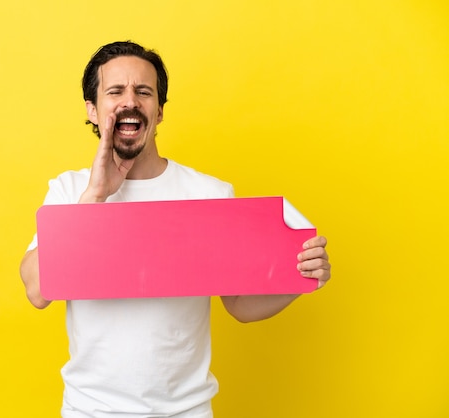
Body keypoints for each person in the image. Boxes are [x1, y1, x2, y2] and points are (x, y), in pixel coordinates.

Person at [20, 41, 331, 418]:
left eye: (144, 92)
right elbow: (37, 290)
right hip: (90, 410)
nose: (129, 101)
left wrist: (300, 278)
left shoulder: (210, 194)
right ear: (92, 109)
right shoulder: (69, 192)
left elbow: (239, 305)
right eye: (115, 91)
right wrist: (96, 196)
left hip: (187, 411)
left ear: (159, 111)